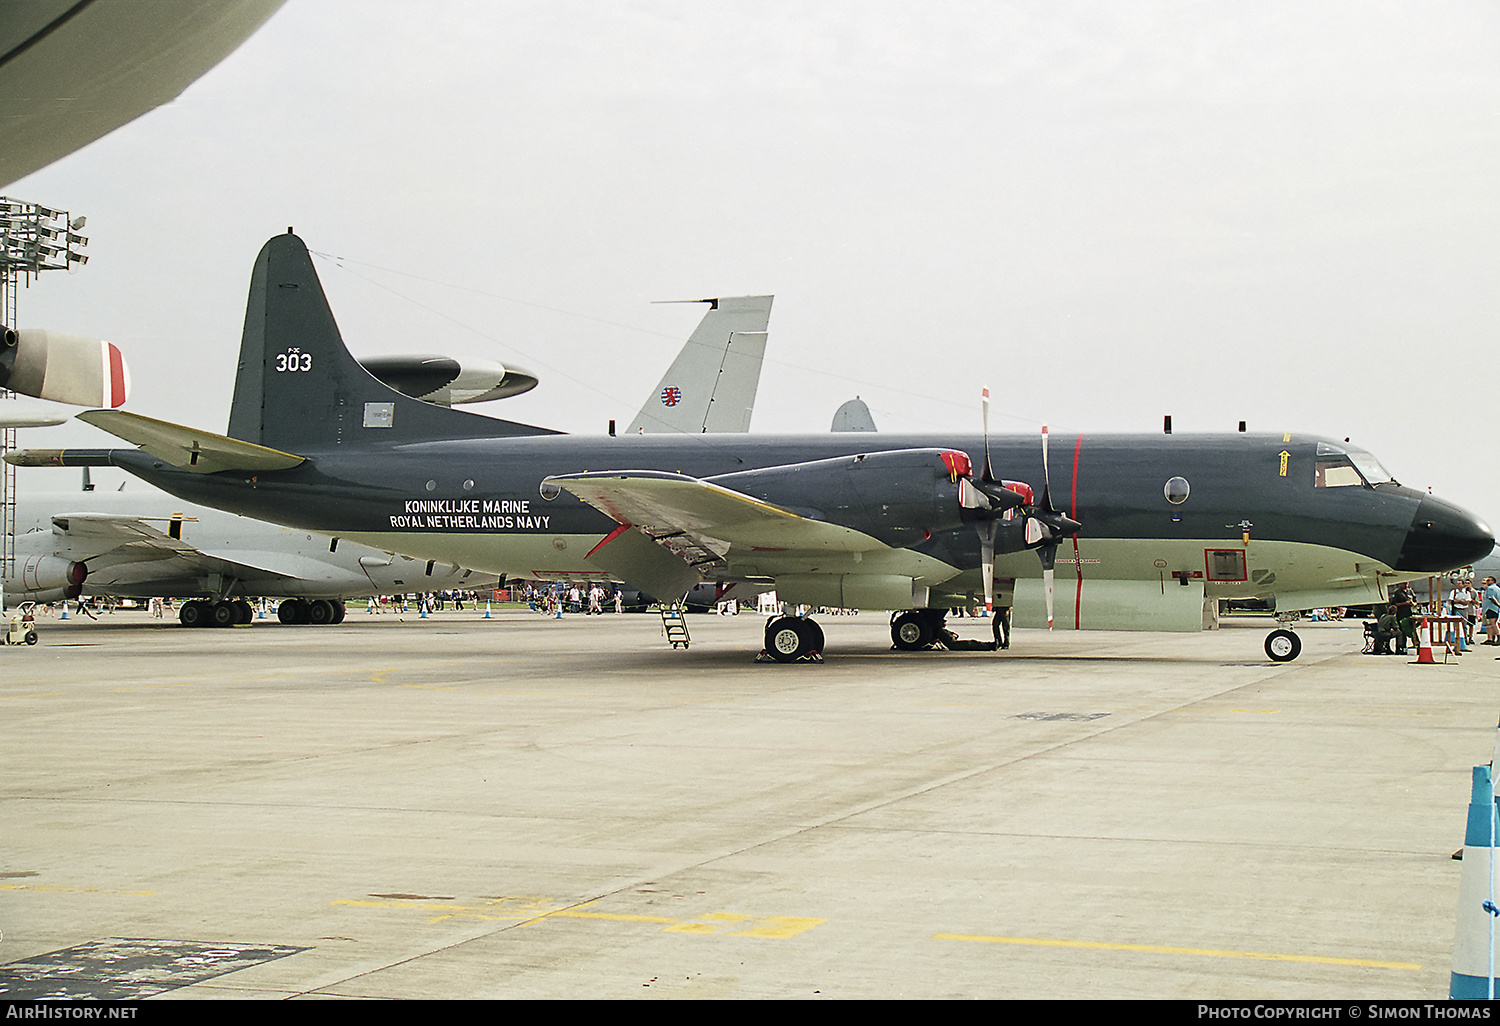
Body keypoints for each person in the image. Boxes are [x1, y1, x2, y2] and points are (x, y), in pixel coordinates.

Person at [1389, 583, 1418, 655]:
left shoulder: (1410, 591)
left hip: (1410, 614)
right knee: (1401, 632)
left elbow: (1415, 601)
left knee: (1412, 631)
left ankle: (1417, 646)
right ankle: (1400, 648)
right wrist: (1405, 603)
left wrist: (1413, 603)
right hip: (1401, 615)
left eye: (1407, 583)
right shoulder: (1397, 593)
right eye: (1404, 583)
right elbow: (1394, 604)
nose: (1405, 585)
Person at [1483, 577, 1500, 645]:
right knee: (1490, 624)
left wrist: (1498, 605)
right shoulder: (1497, 588)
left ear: (1493, 581)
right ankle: (1491, 638)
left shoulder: (1490, 588)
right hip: (1495, 608)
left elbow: (1492, 597)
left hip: (1490, 608)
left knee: (1493, 623)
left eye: (1488, 580)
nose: (1487, 582)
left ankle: (1498, 636)